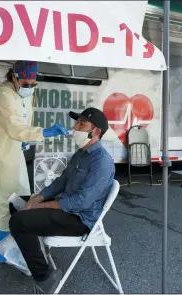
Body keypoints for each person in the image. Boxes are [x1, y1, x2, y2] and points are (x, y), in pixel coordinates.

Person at [9, 107, 115, 294]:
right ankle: (33, 251)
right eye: (76, 122)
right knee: (15, 203)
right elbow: (61, 182)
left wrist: (40, 205)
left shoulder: (102, 162)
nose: (75, 127)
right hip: (66, 208)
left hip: (79, 219)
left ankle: (45, 278)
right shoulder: (80, 154)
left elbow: (80, 202)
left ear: (96, 131)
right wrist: (36, 199)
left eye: (82, 123)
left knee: (19, 221)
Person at [0, 60, 69, 263]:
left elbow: (25, 121)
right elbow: (14, 127)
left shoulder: (25, 93)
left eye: (33, 84)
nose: (30, 87)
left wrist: (26, 140)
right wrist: (44, 132)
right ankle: (2, 253)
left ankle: (16, 245)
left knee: (18, 199)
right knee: (4, 201)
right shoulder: (3, 94)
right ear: (14, 77)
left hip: (16, 152)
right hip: (2, 155)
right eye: (26, 83)